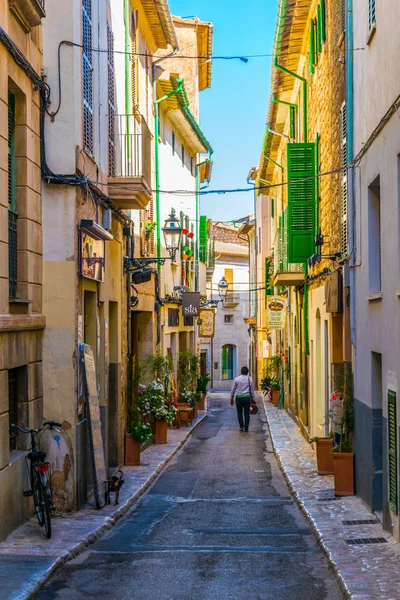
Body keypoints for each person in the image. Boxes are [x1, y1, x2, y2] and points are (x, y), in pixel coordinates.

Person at [230, 366, 255, 432]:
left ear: (241, 372)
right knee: (247, 413)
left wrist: (231, 398)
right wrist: (253, 398)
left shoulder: (236, 379)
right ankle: (246, 428)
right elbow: (252, 390)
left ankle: (241, 426)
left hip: (239, 398)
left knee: (239, 412)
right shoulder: (250, 379)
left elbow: (233, 390)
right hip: (247, 398)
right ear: (247, 372)